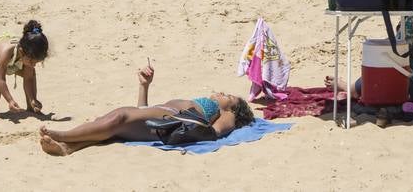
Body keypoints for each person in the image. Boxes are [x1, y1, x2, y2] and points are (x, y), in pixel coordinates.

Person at [38, 63, 254, 155]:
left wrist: (184, 129)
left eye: (228, 97)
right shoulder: (209, 105)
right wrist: (144, 85)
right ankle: (67, 147)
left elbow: (214, 133)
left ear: (234, 109)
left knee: (119, 118)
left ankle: (63, 135)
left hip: (168, 125)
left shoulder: (228, 115)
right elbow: (144, 109)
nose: (220, 94)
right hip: (156, 118)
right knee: (115, 124)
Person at [0, 19, 50, 117]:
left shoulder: (28, 52)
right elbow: (0, 79)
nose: (33, 64)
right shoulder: (7, 50)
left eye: (36, 62)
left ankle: (31, 107)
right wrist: (10, 100)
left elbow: (28, 79)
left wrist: (32, 99)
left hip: (8, 61)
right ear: (21, 51)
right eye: (31, 61)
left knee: (31, 74)